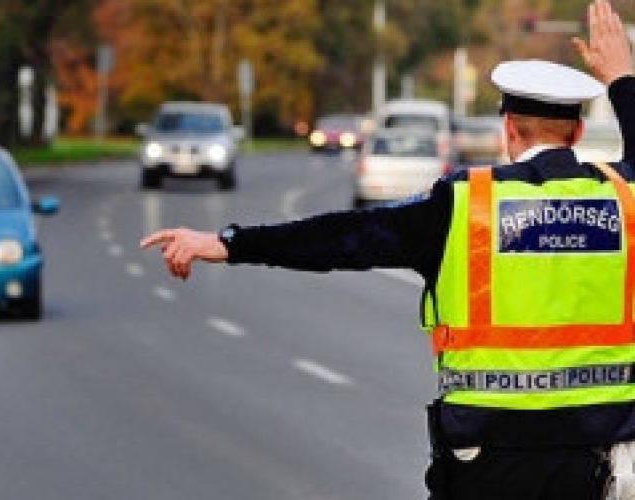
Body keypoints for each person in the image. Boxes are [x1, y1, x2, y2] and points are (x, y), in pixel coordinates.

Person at [141, 1, 635, 498]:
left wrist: (228, 243)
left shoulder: (464, 205)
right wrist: (623, 79)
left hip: (486, 459)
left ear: (507, 130)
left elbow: (341, 238)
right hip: (601, 461)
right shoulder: (624, 200)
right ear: (575, 132)